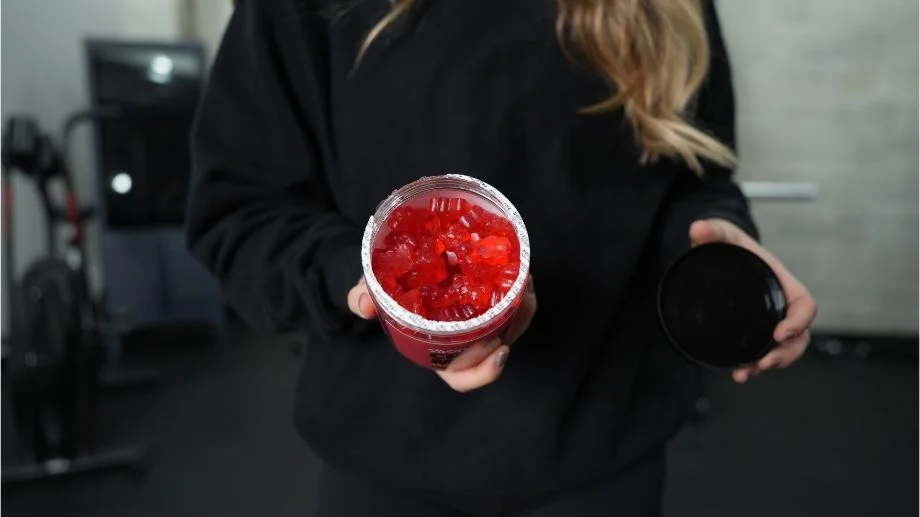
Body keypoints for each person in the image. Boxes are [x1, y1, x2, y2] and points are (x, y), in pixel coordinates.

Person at [186, 0, 818, 515]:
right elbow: (240, 215)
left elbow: (697, 180)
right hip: (385, 456)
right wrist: (370, 279)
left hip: (602, 447)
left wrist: (717, 239)